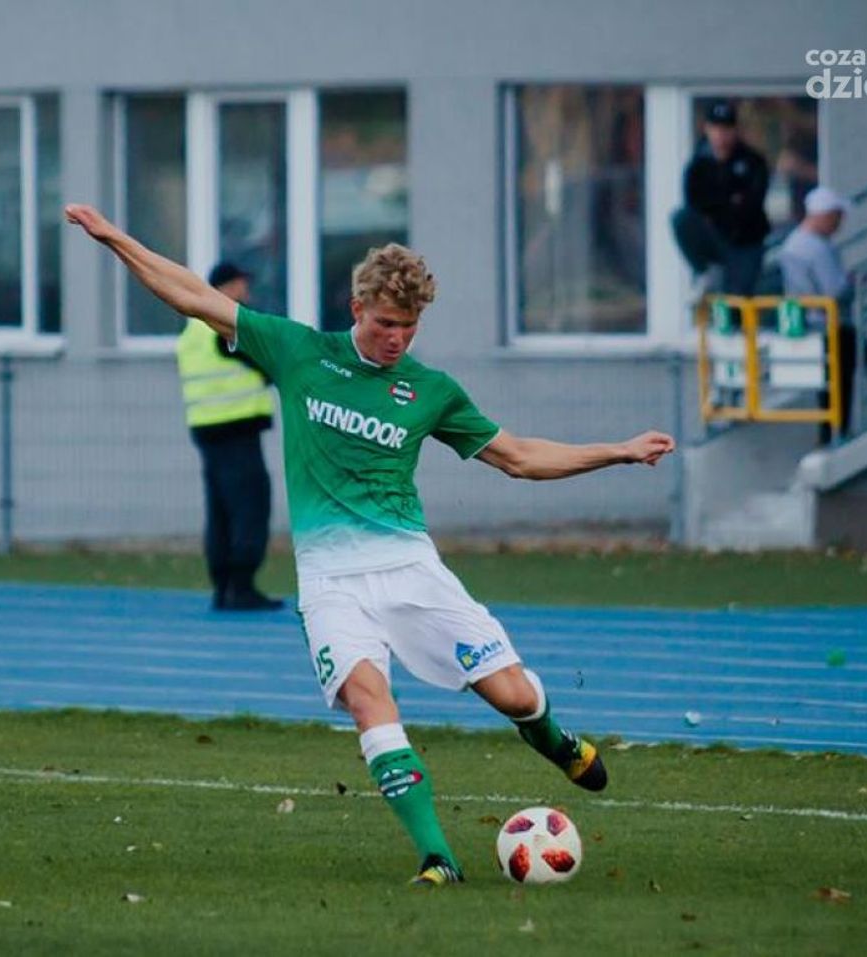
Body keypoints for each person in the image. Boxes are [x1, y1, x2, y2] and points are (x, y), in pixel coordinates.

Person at [65, 203, 675, 887]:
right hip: (331, 581)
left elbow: (520, 458)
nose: (396, 338)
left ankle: (554, 738)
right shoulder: (299, 351)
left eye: (409, 326)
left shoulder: (431, 390)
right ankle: (438, 856)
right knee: (368, 702)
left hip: (410, 570)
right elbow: (194, 296)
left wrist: (617, 451)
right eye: (385, 323)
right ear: (356, 308)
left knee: (511, 695)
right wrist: (116, 238)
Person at [176, 262, 283, 611]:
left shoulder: (193, 328)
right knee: (250, 506)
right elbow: (266, 362)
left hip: (206, 427)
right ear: (228, 287)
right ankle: (241, 585)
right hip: (237, 426)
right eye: (241, 284)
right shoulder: (223, 322)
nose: (246, 291)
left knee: (220, 510)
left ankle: (223, 585)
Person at [777, 186, 859, 438]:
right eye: (837, 217)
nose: (839, 224)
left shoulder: (792, 243)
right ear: (826, 215)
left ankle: (829, 433)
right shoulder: (818, 248)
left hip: (807, 322)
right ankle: (838, 431)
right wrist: (852, 283)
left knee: (826, 385)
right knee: (841, 380)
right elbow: (834, 289)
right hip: (832, 323)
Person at [672, 99, 771, 296]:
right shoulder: (698, 165)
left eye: (726, 129)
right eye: (716, 128)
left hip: (746, 242)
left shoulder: (753, 162)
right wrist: (728, 202)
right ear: (707, 129)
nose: (721, 135)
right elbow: (695, 205)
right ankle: (705, 272)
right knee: (680, 218)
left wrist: (720, 204)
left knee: (738, 299)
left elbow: (751, 205)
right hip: (716, 237)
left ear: (735, 130)